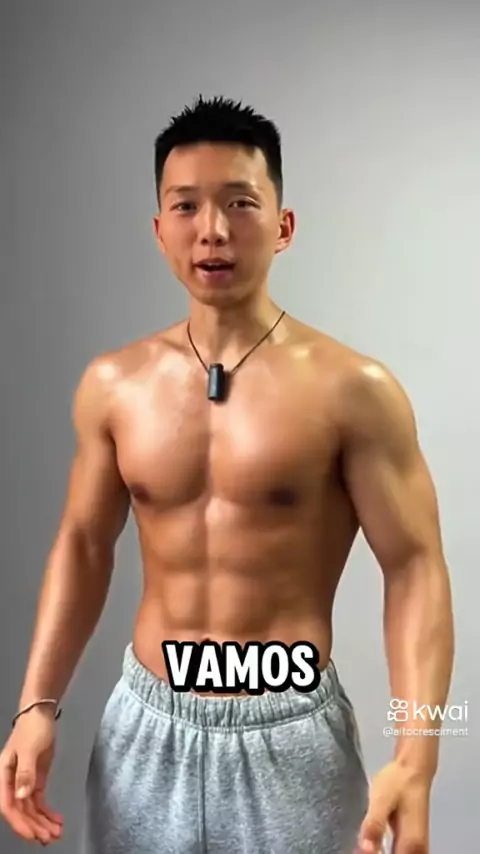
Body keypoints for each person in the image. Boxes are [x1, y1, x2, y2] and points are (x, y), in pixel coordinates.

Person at [0, 94, 454, 854]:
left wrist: (419, 758)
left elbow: (415, 567)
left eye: (240, 203)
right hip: (146, 727)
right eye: (186, 206)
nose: (212, 229)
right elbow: (83, 543)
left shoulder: (353, 389)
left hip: (292, 735)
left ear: (283, 226)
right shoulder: (114, 385)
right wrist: (35, 706)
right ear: (160, 230)